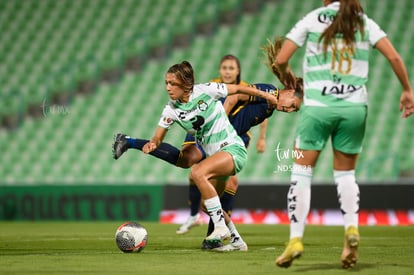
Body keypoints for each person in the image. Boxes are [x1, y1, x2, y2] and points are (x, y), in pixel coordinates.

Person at [268, 0, 414, 269]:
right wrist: (406, 90)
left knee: (301, 172)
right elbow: (394, 57)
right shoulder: (362, 21)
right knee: (345, 174)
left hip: (317, 110)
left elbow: (281, 59)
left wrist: (288, 75)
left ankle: (296, 239)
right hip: (354, 109)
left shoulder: (312, 18)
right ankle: (351, 232)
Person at [128, 60, 279, 251]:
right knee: (205, 205)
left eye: (172, 83)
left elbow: (242, 90)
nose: (168, 87)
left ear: (185, 84)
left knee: (197, 172)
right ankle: (237, 241)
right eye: (166, 83)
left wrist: (267, 96)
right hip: (217, 156)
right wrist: (152, 144)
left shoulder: (207, 90)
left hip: (233, 149)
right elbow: (158, 137)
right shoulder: (171, 109)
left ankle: (221, 228)